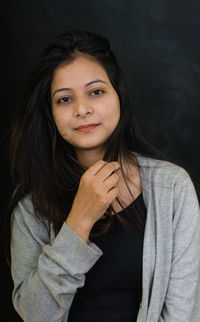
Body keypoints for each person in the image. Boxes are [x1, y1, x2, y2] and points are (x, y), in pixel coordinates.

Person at [7, 29, 200, 322]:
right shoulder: (30, 207)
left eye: (96, 91)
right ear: (50, 113)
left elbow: (183, 312)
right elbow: (35, 316)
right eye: (64, 99)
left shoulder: (172, 188)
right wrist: (79, 222)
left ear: (118, 94)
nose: (83, 109)